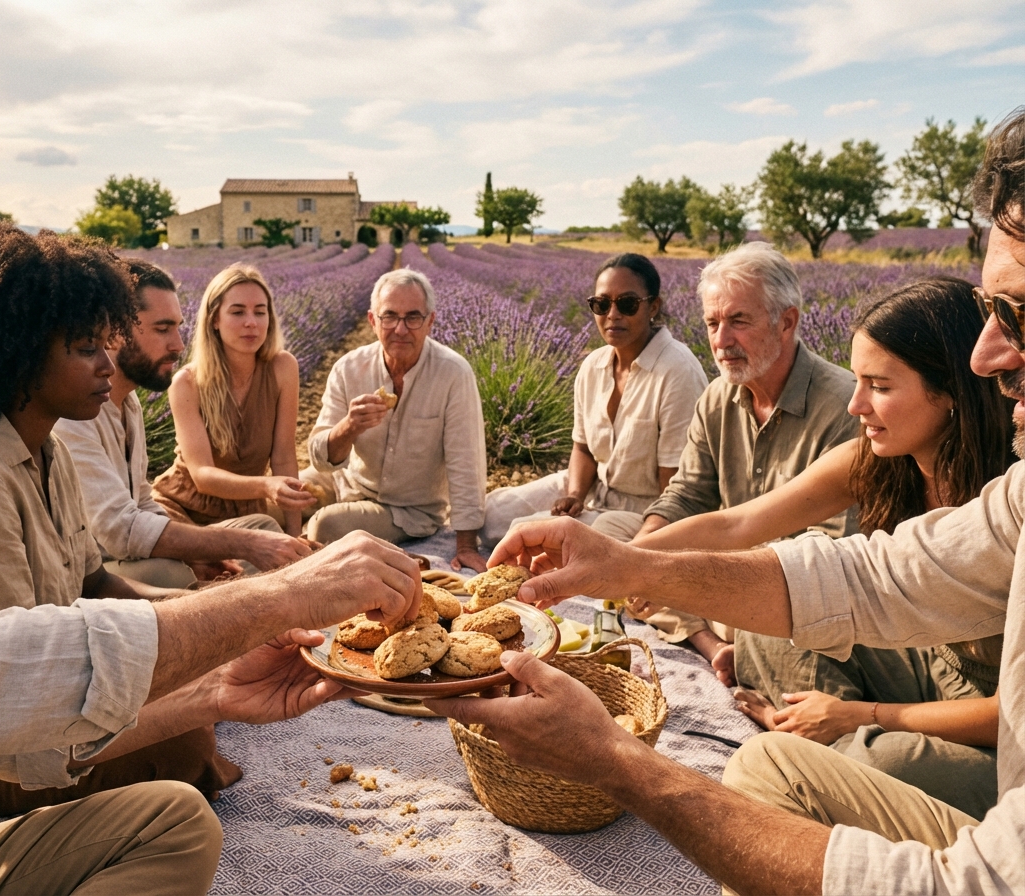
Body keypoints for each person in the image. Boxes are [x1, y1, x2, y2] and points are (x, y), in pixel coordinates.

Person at [425, 107, 1025, 896]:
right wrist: (626, 561)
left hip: (964, 739)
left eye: (1014, 314)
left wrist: (620, 764)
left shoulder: (852, 414)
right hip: (919, 675)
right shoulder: (998, 490)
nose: (990, 355)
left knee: (829, 742)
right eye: (991, 315)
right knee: (774, 656)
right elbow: (850, 573)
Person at [0, 208, 422, 893]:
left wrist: (215, 677)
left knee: (179, 812)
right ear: (22, 351)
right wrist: (273, 599)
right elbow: (3, 692)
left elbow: (91, 582)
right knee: (182, 747)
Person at [626, 277, 1010, 819]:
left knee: (884, 767)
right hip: (934, 668)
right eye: (857, 381)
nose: (855, 404)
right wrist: (622, 564)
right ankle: (823, 747)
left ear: (949, 392)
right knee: (772, 623)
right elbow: (738, 526)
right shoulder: (881, 462)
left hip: (1002, 733)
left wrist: (861, 714)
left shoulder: (1006, 500)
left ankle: (827, 751)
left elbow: (1008, 713)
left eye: (879, 386)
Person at [593, 241, 858, 679]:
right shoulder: (719, 396)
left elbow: (830, 556)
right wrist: (639, 556)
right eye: (713, 323)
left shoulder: (842, 406)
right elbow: (687, 492)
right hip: (723, 558)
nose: (720, 341)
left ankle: (712, 635)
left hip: (790, 587)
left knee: (758, 623)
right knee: (614, 533)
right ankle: (712, 643)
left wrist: (668, 571)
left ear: (786, 321)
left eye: (738, 321)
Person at [55, 259, 310, 589]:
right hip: (93, 574)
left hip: (137, 549)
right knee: (182, 574)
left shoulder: (128, 403)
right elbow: (118, 530)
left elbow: (141, 502)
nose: (178, 345)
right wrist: (239, 544)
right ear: (114, 331)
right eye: (163, 330)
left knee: (256, 535)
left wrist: (197, 553)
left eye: (177, 328)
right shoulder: (75, 414)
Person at [480, 253, 707, 543]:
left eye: (627, 304)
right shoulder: (594, 365)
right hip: (598, 487)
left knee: (526, 534)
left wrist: (649, 542)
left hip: (649, 510)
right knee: (492, 518)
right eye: (601, 305)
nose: (613, 315)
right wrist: (575, 495)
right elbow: (584, 448)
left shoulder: (677, 372)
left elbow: (675, 491)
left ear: (653, 306)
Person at [304, 267, 488, 572]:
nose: (401, 329)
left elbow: (466, 461)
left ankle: (374, 559)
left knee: (326, 526)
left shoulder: (453, 374)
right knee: (288, 493)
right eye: (389, 317)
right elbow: (320, 458)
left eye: (413, 317)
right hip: (349, 482)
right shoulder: (349, 368)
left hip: (407, 510)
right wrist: (349, 427)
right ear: (373, 321)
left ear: (430, 321)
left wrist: (466, 545)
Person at [151, 263, 316, 544]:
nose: (251, 322)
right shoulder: (188, 382)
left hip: (247, 511)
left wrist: (295, 534)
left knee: (277, 545)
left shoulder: (282, 367)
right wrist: (266, 486)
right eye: (238, 312)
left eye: (260, 312)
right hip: (181, 511)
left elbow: (284, 456)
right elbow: (202, 475)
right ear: (214, 319)